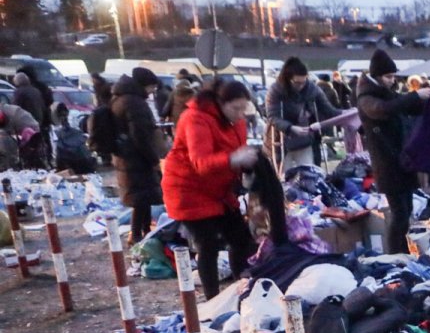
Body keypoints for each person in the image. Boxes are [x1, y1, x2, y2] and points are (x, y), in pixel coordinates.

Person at [161, 78, 261, 299]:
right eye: (236, 109)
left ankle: (243, 288)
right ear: (220, 103)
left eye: (244, 109)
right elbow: (201, 162)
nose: (240, 114)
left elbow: (237, 151)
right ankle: (212, 298)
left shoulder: (238, 122)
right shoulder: (195, 118)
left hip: (220, 191)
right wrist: (234, 158)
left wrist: (247, 164)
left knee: (242, 240)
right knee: (208, 245)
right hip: (188, 190)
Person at [357, 49, 430, 252]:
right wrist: (415, 96)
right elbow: (384, 109)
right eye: (388, 76)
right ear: (376, 76)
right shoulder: (367, 98)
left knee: (406, 211)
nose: (392, 80)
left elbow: (402, 107)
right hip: (387, 163)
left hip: (401, 161)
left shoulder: (385, 93)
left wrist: (427, 102)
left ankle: (402, 251)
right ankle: (395, 254)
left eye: (392, 76)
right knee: (399, 214)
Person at [111, 67, 170, 243]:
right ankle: (137, 235)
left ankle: (144, 232)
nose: (152, 92)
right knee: (141, 198)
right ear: (144, 85)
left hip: (126, 156)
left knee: (142, 197)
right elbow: (141, 135)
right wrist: (153, 159)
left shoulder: (120, 98)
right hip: (136, 159)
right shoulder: (134, 103)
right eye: (152, 87)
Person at [266, 57, 339, 169]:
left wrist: (346, 114)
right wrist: (290, 128)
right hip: (281, 141)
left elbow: (328, 109)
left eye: (304, 82)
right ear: (288, 79)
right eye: (297, 83)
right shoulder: (276, 90)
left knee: (308, 173)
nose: (301, 86)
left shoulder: (312, 88)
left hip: (305, 140)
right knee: (283, 176)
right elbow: (273, 117)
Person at [10, 72, 50, 168]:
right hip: (38, 121)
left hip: (26, 123)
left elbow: (15, 109)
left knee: (27, 146)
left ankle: (27, 164)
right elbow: (43, 107)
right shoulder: (36, 91)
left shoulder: (19, 92)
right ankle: (40, 163)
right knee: (37, 145)